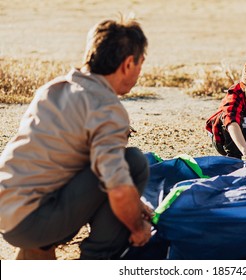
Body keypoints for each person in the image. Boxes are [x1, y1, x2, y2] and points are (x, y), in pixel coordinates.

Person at [0, 17, 152, 259]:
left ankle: (36, 253)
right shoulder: (106, 107)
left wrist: (136, 204)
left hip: (8, 212)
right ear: (128, 64)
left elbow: (60, 159)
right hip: (33, 222)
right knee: (133, 162)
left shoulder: (54, 88)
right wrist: (138, 227)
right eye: (141, 64)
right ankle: (96, 259)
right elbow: (119, 189)